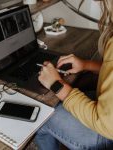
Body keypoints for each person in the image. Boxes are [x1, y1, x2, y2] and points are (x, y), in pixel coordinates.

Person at [34, 0, 113, 149]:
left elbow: (107, 125)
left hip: (106, 135)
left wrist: (56, 84)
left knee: (41, 116)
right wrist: (86, 65)